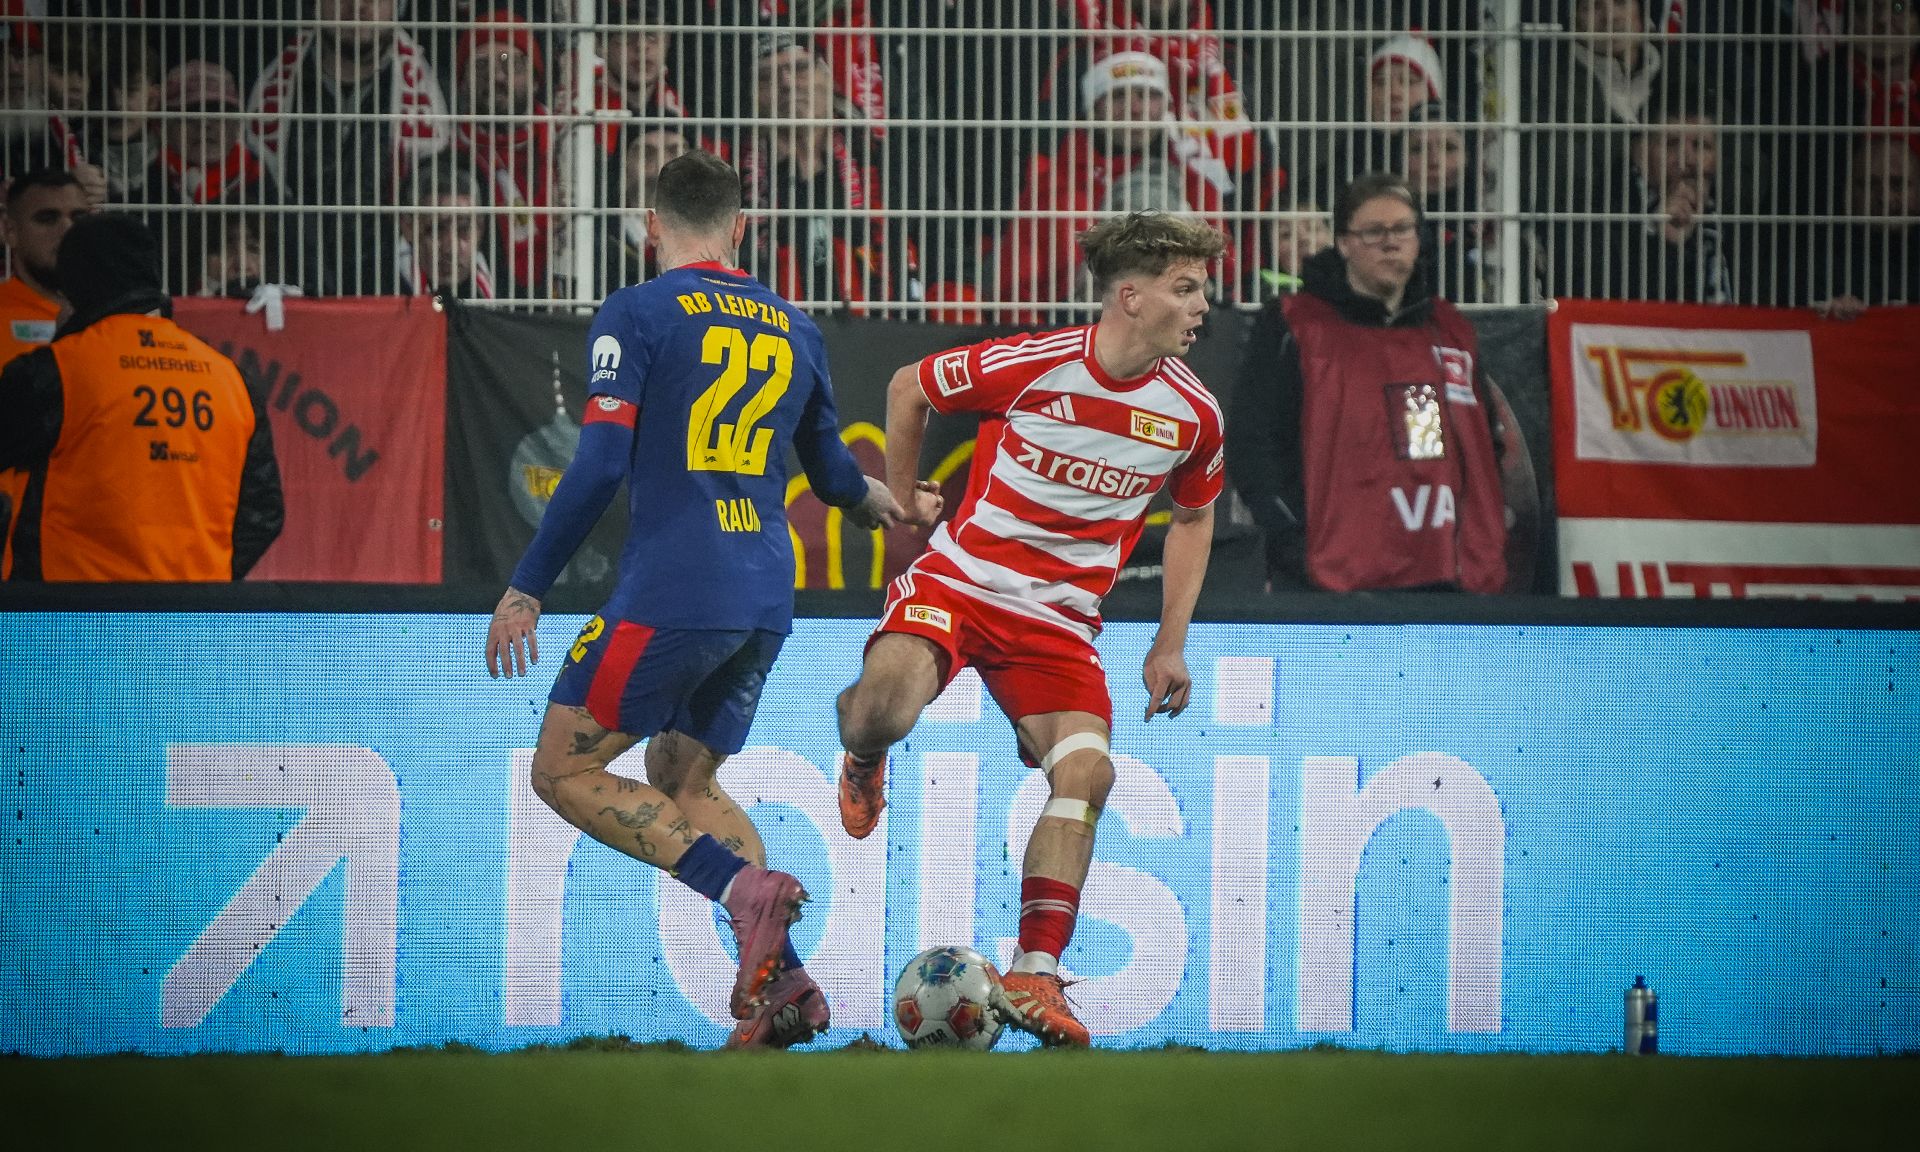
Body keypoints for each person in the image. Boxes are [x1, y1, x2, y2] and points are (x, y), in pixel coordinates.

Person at [482, 151, 907, 1050]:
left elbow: (599, 462)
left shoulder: (637, 311)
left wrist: (528, 585)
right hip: (764, 597)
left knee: (560, 771)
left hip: (673, 589)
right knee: (684, 778)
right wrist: (875, 501)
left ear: (651, 224)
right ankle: (781, 984)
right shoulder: (795, 325)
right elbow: (832, 472)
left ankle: (741, 890)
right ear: (742, 226)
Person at [834, 211, 1229, 1049]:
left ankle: (1036, 972)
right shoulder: (1039, 363)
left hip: (1059, 624)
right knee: (881, 714)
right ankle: (863, 759)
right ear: (1131, 296)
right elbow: (909, 386)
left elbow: (1194, 518)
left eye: (1203, 288)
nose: (1203, 305)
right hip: (960, 585)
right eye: (1186, 288)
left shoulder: (1193, 416)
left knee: (1088, 772)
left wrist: (1170, 643)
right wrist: (905, 501)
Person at [1226, 173, 1507, 594]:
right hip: (1329, 577)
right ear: (1343, 243)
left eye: (1403, 229)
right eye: (1374, 231)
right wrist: (1293, 536)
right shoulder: (1293, 324)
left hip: (1443, 573)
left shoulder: (1451, 330)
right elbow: (1253, 442)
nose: (1390, 243)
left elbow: (1481, 446)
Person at [0, 213, 284, 581]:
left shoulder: (56, 371)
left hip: (71, 607)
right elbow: (263, 513)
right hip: (193, 609)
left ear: (71, 288)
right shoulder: (231, 380)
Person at [996, 52, 1221, 324]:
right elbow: (1016, 292)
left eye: (1148, 95)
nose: (1135, 109)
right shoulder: (1055, 187)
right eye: (1118, 96)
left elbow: (1226, 276)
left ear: (1166, 106)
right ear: (1094, 107)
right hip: (1079, 328)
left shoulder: (1194, 181)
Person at [245, 0, 451, 295]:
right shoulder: (272, 92)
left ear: (397, 7)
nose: (357, 6)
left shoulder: (433, 99)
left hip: (393, 298)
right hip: (293, 296)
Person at [0, 166, 89, 578]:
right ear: (10, 231)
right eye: (47, 218)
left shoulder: (119, 324)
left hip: (93, 560)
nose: (67, 230)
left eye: (78, 217)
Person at [449, 10, 556, 297]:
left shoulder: (567, 142)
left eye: (510, 63)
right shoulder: (448, 151)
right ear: (462, 81)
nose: (496, 76)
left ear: (536, 79)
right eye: (481, 65)